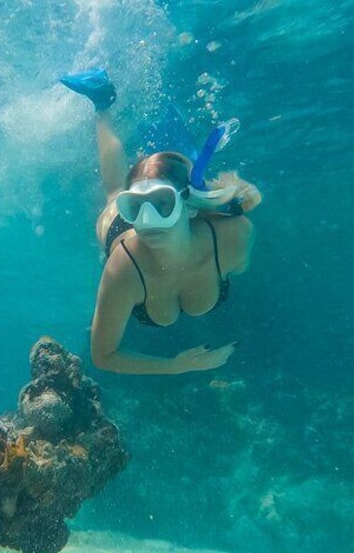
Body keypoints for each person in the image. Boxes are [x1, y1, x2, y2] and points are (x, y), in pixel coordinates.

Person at [60, 69, 261, 375]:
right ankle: (102, 102)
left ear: (189, 207)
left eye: (162, 204)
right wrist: (175, 366)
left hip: (195, 204)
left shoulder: (233, 235)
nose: (146, 221)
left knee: (166, 169)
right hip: (118, 230)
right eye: (135, 205)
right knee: (114, 191)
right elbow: (104, 356)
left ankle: (115, 109)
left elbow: (242, 252)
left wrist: (230, 194)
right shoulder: (122, 270)